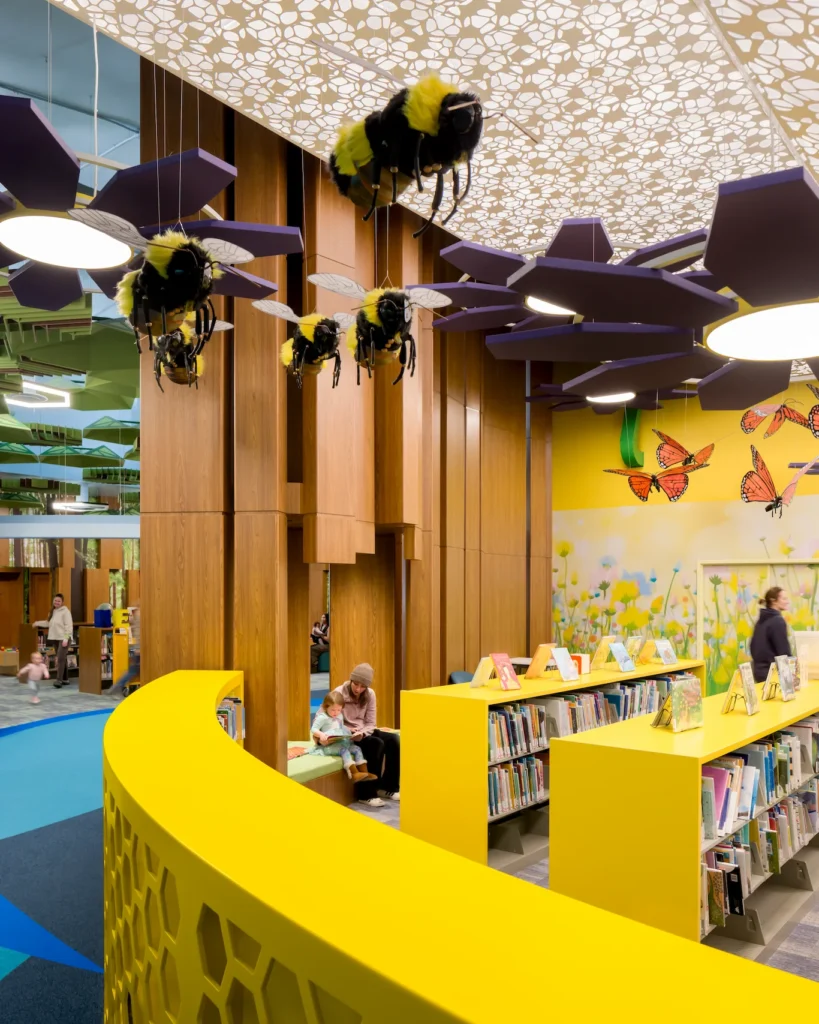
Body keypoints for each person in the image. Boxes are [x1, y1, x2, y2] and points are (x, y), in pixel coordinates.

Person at [332, 662, 400, 808]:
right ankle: (367, 794)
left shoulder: (370, 694)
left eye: (363, 686)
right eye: (356, 684)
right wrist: (347, 731)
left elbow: (371, 722)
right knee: (376, 744)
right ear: (351, 680)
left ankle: (387, 787)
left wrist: (362, 733)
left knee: (393, 740)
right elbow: (329, 718)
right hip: (345, 735)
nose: (358, 689)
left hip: (363, 731)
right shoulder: (338, 693)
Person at [309, 692, 377, 782]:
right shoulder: (323, 717)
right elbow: (313, 729)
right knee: (344, 751)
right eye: (333, 710)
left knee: (357, 749)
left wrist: (350, 729)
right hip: (328, 746)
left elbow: (340, 726)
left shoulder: (339, 715)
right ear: (326, 707)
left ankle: (365, 773)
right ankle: (354, 774)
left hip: (340, 742)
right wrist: (321, 735)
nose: (336, 713)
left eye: (338, 710)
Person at [750, 586, 791, 682]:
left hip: (759, 673)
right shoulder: (778, 621)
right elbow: (783, 652)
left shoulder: (761, 620)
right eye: (784, 599)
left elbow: (753, 647)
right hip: (772, 675)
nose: (787, 601)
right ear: (774, 601)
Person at [108, 606, 141, 700]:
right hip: (140, 648)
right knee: (133, 671)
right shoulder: (141, 614)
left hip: (139, 648)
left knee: (133, 670)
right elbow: (138, 632)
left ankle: (117, 687)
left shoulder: (138, 613)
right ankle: (117, 687)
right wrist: (138, 648)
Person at [47, 593, 73, 688]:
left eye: (59, 601)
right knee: (62, 658)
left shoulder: (65, 611)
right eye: (55, 600)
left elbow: (69, 626)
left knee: (60, 659)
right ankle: (65, 679)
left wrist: (66, 638)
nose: (56, 602)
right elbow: (49, 624)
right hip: (56, 638)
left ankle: (59, 680)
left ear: (62, 602)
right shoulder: (52, 611)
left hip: (64, 638)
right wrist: (37, 623)